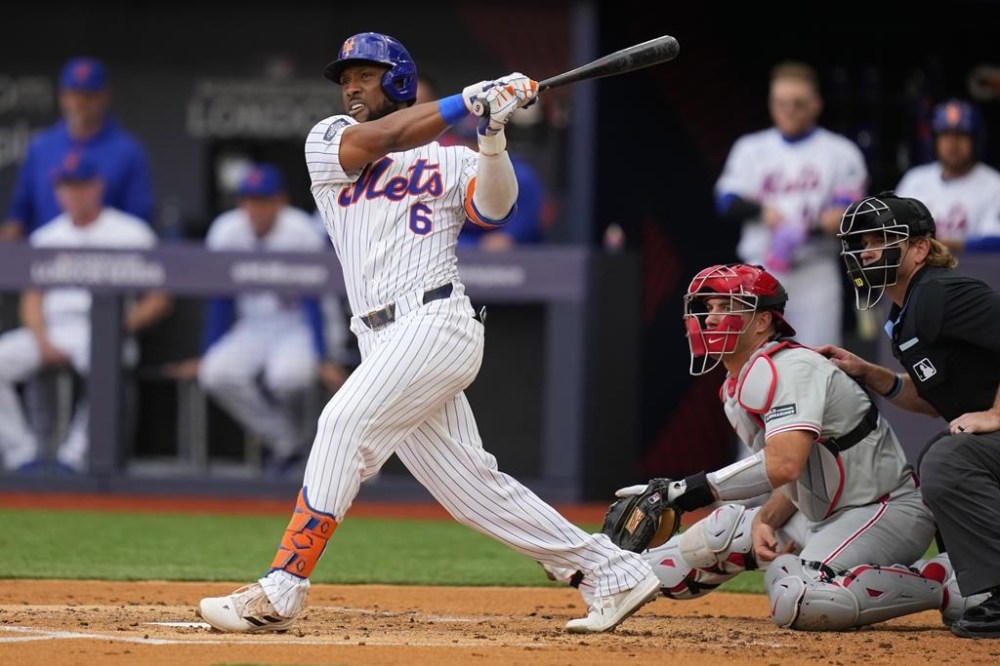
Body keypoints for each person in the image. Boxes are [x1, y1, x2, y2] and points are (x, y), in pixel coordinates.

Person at [197, 31, 660, 636]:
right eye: (346, 79)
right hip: (379, 337)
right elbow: (384, 138)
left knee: (341, 425)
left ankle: (282, 588)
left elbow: (495, 211)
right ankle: (610, 570)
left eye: (365, 76)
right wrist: (469, 103)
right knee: (470, 489)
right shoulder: (329, 140)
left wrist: (492, 134)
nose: (352, 88)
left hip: (436, 320)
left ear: (399, 81)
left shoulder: (452, 159)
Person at [549, 261, 987, 631]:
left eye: (728, 307)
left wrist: (686, 491)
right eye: (708, 308)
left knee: (799, 595)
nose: (711, 317)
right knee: (721, 533)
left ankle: (945, 582)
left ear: (762, 321)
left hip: (883, 510)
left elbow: (784, 465)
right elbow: (797, 470)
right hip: (823, 513)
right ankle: (599, 567)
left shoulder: (791, 367)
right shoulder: (735, 385)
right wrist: (769, 516)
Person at [816, 192, 1000, 638]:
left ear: (919, 248)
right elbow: (934, 395)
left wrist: (997, 412)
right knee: (942, 454)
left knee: (949, 459)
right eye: (860, 243)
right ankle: (985, 590)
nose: (865, 252)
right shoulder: (909, 309)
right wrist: (872, 374)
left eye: (879, 240)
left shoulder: (940, 292)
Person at [163, 163, 348, 477]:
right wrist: (208, 352)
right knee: (215, 373)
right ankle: (287, 441)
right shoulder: (226, 230)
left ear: (280, 201)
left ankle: (313, 447)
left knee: (287, 377)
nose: (255, 208)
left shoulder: (301, 230)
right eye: (249, 200)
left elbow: (312, 301)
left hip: (299, 325)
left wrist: (322, 356)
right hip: (255, 326)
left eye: (263, 200)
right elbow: (221, 298)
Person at [0, 153, 171, 472]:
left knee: (106, 360)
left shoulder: (130, 232)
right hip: (52, 327)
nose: (73, 193)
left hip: (107, 326)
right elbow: (32, 299)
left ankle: (75, 459)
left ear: (97, 187)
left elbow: (159, 297)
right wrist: (42, 337)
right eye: (66, 186)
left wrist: (124, 325)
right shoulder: (47, 236)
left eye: (80, 185)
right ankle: (23, 456)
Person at [714, 61, 868, 347]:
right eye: (781, 103)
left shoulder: (840, 151)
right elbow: (725, 201)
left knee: (817, 360)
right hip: (758, 271)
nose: (789, 110)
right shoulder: (751, 148)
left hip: (815, 271)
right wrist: (762, 211)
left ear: (816, 104)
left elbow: (846, 212)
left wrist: (811, 225)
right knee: (755, 362)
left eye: (798, 103)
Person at [2, 56, 154, 240]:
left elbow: (138, 221)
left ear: (103, 96)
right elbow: (19, 214)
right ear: (62, 96)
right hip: (46, 256)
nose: (79, 103)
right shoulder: (41, 147)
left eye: (88, 96)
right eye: (73, 94)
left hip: (110, 257)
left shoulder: (128, 151)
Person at [895, 98, 1000, 253]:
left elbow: (995, 242)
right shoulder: (915, 180)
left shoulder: (994, 185)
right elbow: (892, 232)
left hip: (974, 273)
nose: (952, 143)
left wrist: (938, 244)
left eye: (961, 135)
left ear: (975, 140)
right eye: (945, 135)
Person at [442, 115, 547, 250]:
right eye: (467, 142)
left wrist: (509, 236)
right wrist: (473, 245)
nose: (472, 149)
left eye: (479, 142)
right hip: (466, 248)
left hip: (515, 256)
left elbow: (528, 221)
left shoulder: (520, 175)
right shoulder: (451, 175)